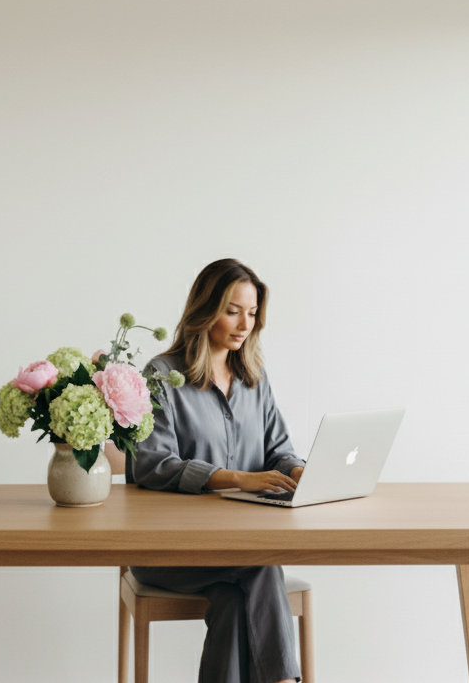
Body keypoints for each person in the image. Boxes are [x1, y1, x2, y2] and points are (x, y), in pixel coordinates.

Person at [131, 258, 305, 683]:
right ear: (205, 309)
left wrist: (299, 472)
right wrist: (236, 477)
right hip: (169, 551)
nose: (244, 323)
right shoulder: (162, 375)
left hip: (236, 548)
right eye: (232, 310)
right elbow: (152, 464)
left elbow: (280, 450)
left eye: (252, 313)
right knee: (262, 565)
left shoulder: (253, 379)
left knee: (231, 601)